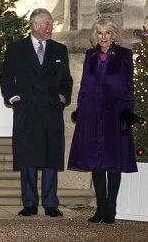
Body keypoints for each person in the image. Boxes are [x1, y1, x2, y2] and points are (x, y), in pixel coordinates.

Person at [0, 8, 73, 218]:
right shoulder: (16, 49)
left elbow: (67, 80)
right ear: (35, 25)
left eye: (51, 24)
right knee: (28, 157)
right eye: (48, 24)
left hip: (51, 109)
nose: (51, 27)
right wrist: (14, 98)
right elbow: (6, 78)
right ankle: (29, 203)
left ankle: (51, 204)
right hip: (27, 110)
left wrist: (63, 97)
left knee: (50, 157)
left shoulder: (60, 50)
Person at [68, 17, 137, 224]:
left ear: (114, 34)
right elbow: (85, 85)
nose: (104, 37)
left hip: (115, 114)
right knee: (96, 162)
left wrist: (127, 112)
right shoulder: (90, 55)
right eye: (100, 33)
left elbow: (128, 86)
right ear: (95, 35)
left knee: (113, 162)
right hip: (92, 113)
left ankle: (111, 209)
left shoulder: (125, 55)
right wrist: (80, 110)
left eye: (108, 32)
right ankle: (100, 208)